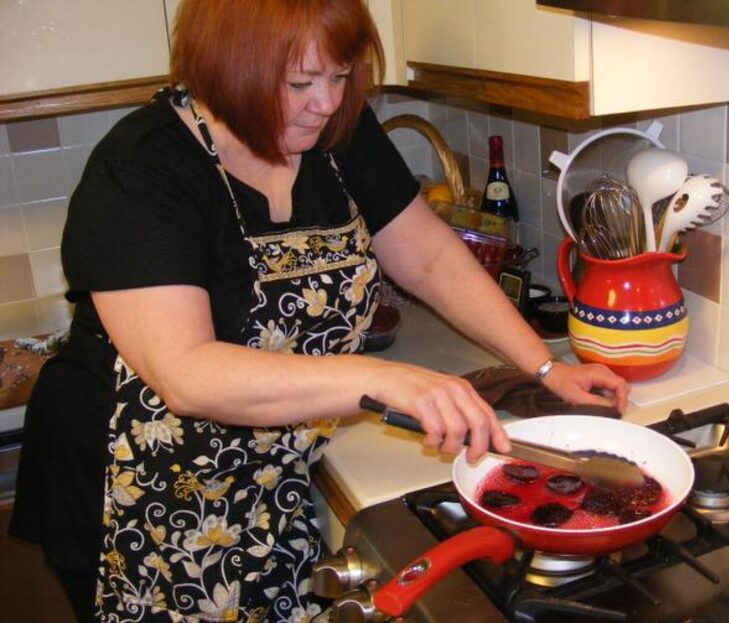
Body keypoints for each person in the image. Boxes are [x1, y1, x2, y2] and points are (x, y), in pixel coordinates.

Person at [10, 1, 628, 621]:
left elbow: (429, 258)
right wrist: (384, 379)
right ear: (226, 69)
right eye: (300, 82)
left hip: (268, 467)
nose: (327, 103)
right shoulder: (142, 166)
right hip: (137, 486)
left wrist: (545, 368)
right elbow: (186, 374)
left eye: (340, 77)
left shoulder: (336, 132)